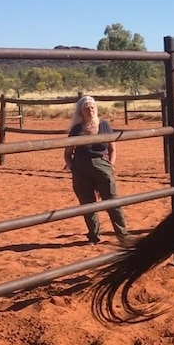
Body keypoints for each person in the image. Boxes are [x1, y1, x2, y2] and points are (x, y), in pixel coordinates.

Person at [64, 95, 128, 244]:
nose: (90, 110)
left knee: (112, 201)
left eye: (92, 107)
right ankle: (94, 235)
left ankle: (123, 235)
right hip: (81, 168)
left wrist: (110, 166)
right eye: (86, 108)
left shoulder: (104, 125)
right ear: (81, 111)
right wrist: (73, 168)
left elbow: (113, 149)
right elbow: (67, 153)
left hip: (102, 166)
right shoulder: (76, 129)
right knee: (87, 204)